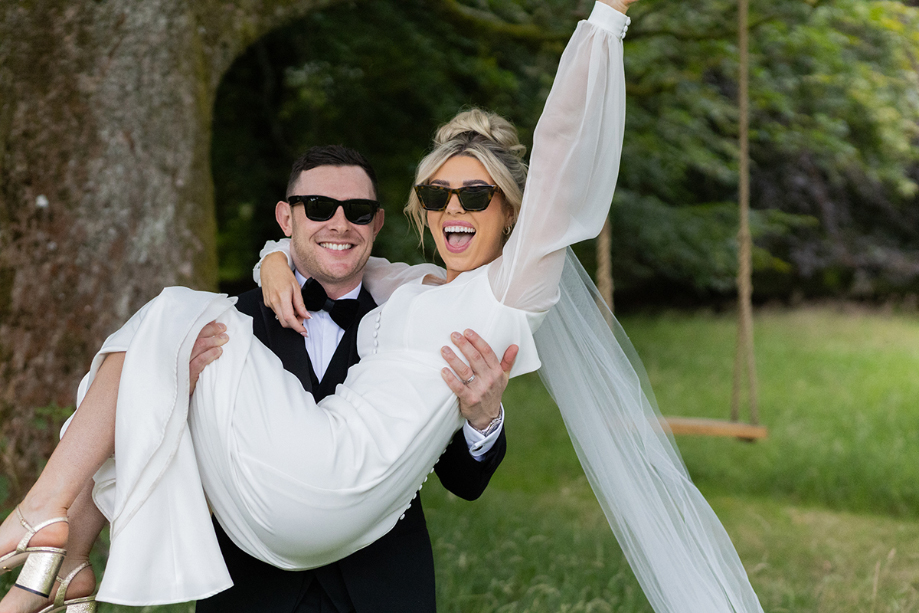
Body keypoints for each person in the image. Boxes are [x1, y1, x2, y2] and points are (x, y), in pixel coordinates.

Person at [0, 2, 766, 611]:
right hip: (278, 531)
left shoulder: (511, 289)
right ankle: (68, 556)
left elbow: (563, 151)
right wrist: (272, 259)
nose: (455, 208)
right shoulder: (404, 283)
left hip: (337, 496)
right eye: (438, 195)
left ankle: (43, 512)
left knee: (170, 311)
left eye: (477, 196)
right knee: (150, 353)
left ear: (512, 213)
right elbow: (316, 248)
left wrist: (606, 18)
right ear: (420, 210)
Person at [195, 145, 516, 613]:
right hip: (253, 591)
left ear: (377, 223)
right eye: (318, 207)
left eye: (359, 211)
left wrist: (484, 421)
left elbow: (464, 483)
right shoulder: (228, 324)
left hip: (382, 591)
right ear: (286, 218)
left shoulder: (410, 320)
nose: (340, 224)